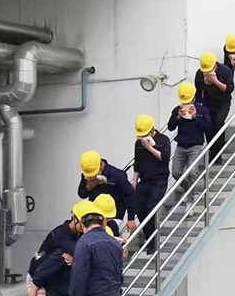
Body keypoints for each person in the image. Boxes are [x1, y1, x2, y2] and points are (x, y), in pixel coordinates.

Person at [132, 114, 170, 254]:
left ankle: (153, 243)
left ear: (152, 129)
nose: (142, 136)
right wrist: (135, 180)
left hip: (159, 180)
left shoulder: (163, 140)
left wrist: (150, 148)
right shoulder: (138, 143)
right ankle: (149, 238)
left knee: (151, 209)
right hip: (144, 180)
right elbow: (137, 162)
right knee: (139, 209)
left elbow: (164, 158)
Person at [167, 82, 211, 203]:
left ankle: (191, 201)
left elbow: (208, 127)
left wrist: (195, 117)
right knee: (176, 172)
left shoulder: (202, 110)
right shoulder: (177, 110)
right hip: (181, 145)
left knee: (192, 172)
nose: (186, 104)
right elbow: (170, 127)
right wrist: (178, 117)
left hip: (196, 145)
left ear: (194, 98)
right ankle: (191, 192)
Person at [78, 150, 135, 233]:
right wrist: (90, 185)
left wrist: (131, 218)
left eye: (93, 174)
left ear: (100, 165)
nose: (91, 176)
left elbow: (130, 196)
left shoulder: (117, 175)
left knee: (106, 234)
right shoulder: (87, 173)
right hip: (94, 214)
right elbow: (82, 194)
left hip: (113, 216)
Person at [194, 52, 234, 160]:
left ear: (215, 65)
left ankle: (218, 152)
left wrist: (215, 81)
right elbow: (198, 92)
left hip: (223, 101)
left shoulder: (225, 70)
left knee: (218, 122)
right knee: (208, 125)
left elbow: (229, 89)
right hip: (208, 101)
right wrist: (198, 106)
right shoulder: (199, 73)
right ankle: (212, 150)